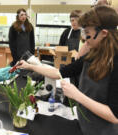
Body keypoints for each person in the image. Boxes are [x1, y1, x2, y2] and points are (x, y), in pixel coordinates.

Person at [17, 5, 118, 135]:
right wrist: (29, 66)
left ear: (104, 33)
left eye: (88, 34)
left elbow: (114, 116)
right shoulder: (91, 56)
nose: (85, 40)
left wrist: (77, 95)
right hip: (84, 125)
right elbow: (57, 73)